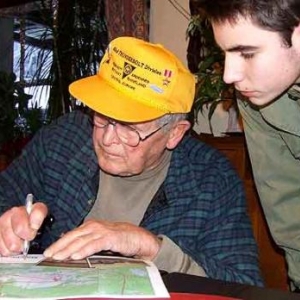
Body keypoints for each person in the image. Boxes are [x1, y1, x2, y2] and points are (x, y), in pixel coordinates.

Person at [0, 36, 262, 286]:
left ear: (174, 133)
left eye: (129, 128)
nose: (107, 138)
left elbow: (243, 285)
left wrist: (151, 247)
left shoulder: (212, 179)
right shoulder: (63, 139)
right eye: (101, 117)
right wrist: (7, 225)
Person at [196, 0, 300, 291]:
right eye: (225, 53)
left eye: (248, 53)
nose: (229, 76)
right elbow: (289, 209)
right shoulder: (258, 99)